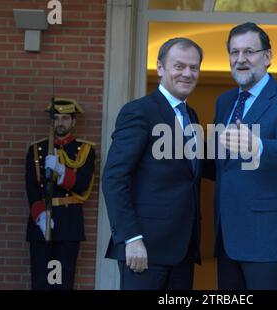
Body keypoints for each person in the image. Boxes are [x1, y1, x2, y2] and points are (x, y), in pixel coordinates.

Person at [212, 22, 277, 290]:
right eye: (234, 52)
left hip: (269, 239)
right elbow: (224, 164)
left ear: (267, 57)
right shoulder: (224, 101)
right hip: (228, 237)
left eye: (249, 51)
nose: (240, 59)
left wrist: (256, 145)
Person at [102, 37, 204, 290]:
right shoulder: (139, 111)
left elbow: (190, 172)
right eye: (179, 66)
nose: (187, 73)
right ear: (160, 68)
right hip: (144, 249)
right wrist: (131, 238)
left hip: (182, 249)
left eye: (194, 67)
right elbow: (114, 177)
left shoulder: (191, 116)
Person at [25, 98, 96, 290]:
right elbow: (31, 188)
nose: (60, 123)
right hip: (41, 223)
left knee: (62, 281)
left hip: (68, 223)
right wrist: (40, 216)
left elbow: (82, 186)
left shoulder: (85, 150)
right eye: (56, 118)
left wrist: (61, 170)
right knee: (42, 280)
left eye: (65, 118)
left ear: (73, 122)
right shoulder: (36, 150)